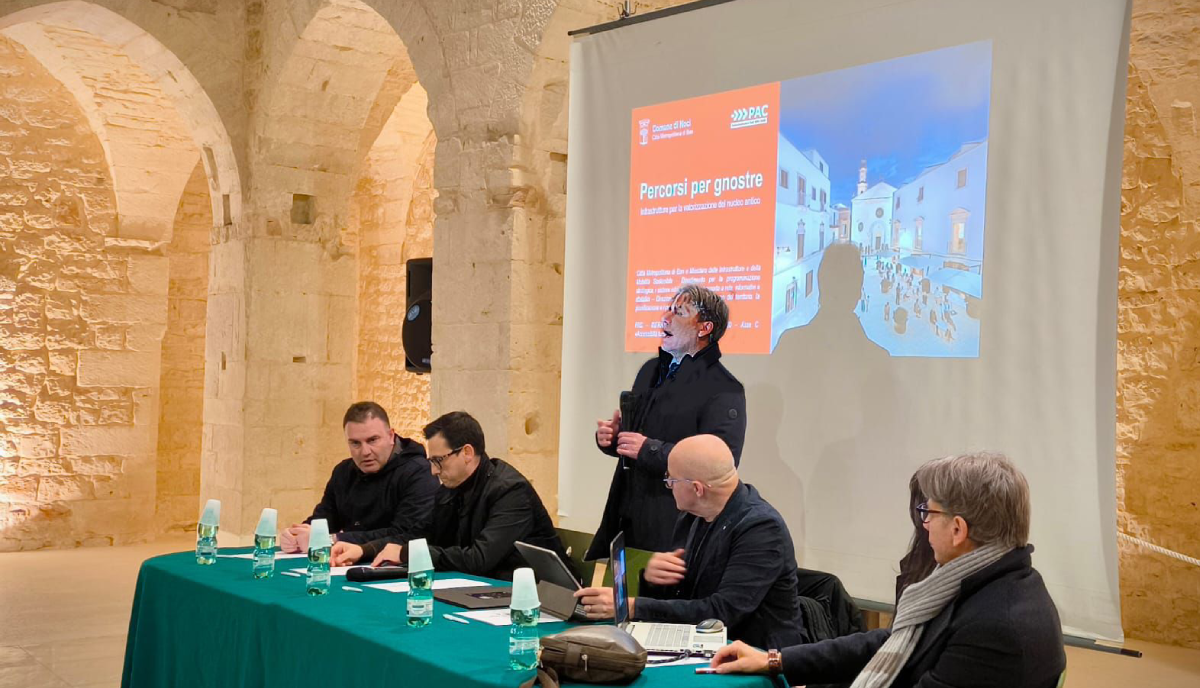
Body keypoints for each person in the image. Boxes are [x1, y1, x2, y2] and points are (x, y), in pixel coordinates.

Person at [709, 452, 1065, 688]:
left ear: (958, 529)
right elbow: (889, 641)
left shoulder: (995, 625)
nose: (924, 524)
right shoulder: (993, 580)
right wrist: (775, 660)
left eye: (928, 513)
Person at [574, 435, 805, 650]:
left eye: (671, 479)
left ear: (697, 488)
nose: (669, 485)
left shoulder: (761, 529)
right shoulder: (694, 514)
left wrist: (634, 606)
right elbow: (683, 599)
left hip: (757, 655)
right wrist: (655, 580)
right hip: (704, 644)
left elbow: (721, 614)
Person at [587, 284, 747, 559]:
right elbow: (636, 437)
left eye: (678, 312)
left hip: (673, 527)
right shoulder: (651, 371)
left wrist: (648, 448)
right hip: (625, 516)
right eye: (667, 309)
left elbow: (720, 462)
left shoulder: (724, 389)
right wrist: (612, 439)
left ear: (704, 328)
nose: (665, 318)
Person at [328, 411, 573, 581]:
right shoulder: (451, 488)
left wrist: (406, 553)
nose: (433, 471)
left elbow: (479, 559)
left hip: (535, 599)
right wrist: (364, 550)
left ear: (467, 453)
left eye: (438, 461)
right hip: (483, 589)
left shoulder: (510, 491)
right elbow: (419, 534)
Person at [279, 402, 437, 553]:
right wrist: (297, 535)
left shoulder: (419, 472)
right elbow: (324, 519)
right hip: (346, 562)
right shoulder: (343, 472)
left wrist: (331, 539)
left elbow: (407, 534)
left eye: (372, 440)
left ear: (391, 436)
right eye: (355, 443)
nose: (365, 452)